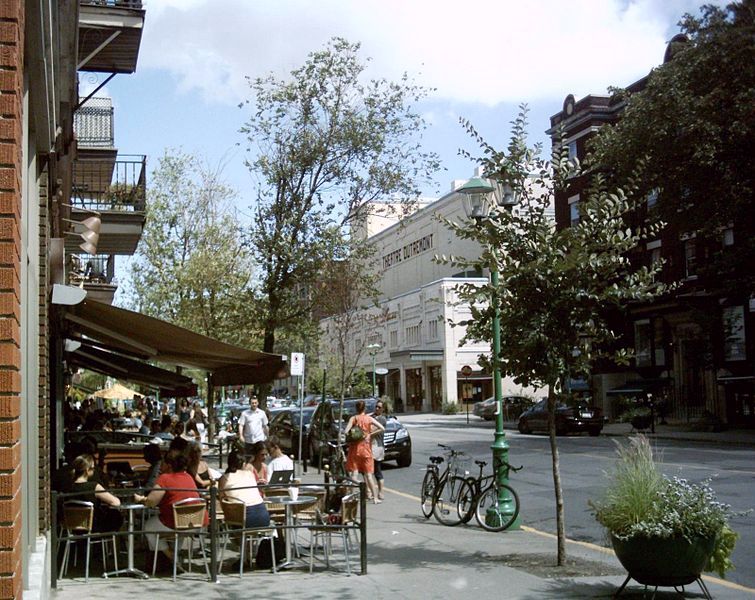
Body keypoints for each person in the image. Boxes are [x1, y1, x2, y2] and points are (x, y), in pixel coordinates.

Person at [134, 448, 208, 564]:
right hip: (195, 524)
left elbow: (151, 502)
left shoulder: (165, 478)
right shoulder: (188, 477)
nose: (160, 466)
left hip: (177, 523)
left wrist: (141, 499)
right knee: (179, 525)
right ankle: (174, 556)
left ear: (168, 465)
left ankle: (171, 556)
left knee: (148, 526)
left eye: (163, 463)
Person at [69, 455, 123, 532]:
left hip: (74, 526)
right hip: (93, 526)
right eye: (93, 468)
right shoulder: (94, 486)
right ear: (87, 470)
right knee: (116, 515)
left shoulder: (70, 487)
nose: (94, 470)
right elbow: (116, 502)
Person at [344, 400, 384, 504]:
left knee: (354, 473)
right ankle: (375, 498)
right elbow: (382, 428)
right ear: (364, 408)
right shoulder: (369, 418)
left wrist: (353, 434)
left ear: (356, 408)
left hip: (355, 449)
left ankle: (351, 497)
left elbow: (345, 431)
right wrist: (370, 433)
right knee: (369, 475)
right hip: (366, 449)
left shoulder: (353, 418)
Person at [218, 450, 270, 527]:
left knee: (231, 523)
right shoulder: (250, 474)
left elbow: (222, 501)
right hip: (264, 516)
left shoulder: (225, 478)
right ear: (243, 464)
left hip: (245, 517)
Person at [370, 400, 388, 501]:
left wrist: (367, 433)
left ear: (383, 409)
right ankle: (372, 492)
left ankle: (380, 492)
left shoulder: (382, 419)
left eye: (379, 407)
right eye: (376, 406)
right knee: (369, 471)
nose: (377, 408)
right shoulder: (372, 417)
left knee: (377, 470)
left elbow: (373, 430)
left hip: (377, 447)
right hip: (371, 447)